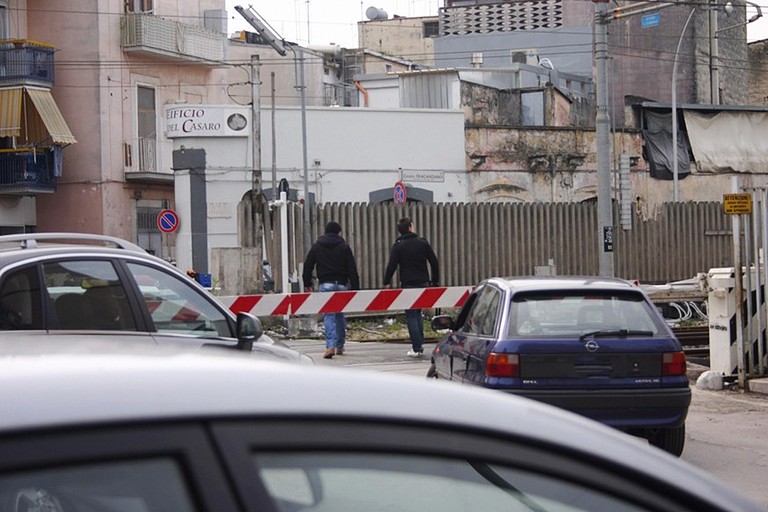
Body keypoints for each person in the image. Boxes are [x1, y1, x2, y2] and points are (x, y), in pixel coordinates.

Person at [302, 221, 360, 359]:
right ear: (338, 232)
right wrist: (355, 288)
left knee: (329, 314)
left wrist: (307, 282)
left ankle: (330, 346)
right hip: (341, 284)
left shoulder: (317, 246)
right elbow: (352, 268)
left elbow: (308, 265)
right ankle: (340, 346)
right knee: (340, 314)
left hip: (325, 284)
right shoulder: (344, 246)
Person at [383, 217, 439, 358]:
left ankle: (417, 347)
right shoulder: (423, 243)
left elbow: (392, 265)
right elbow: (434, 262)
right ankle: (419, 345)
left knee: (411, 315)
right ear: (410, 227)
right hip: (423, 282)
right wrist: (435, 281)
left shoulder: (399, 246)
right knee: (418, 313)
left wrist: (386, 281)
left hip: (408, 283)